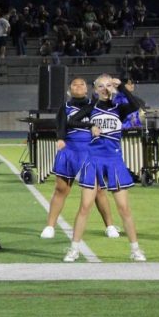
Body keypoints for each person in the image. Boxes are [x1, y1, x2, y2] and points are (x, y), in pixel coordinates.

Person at [64, 75, 145, 262]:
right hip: (93, 160)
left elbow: (135, 107)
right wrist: (90, 124)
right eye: (101, 86)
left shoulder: (120, 108)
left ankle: (135, 249)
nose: (105, 89)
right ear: (95, 89)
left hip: (114, 160)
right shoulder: (91, 108)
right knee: (84, 207)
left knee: (124, 208)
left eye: (109, 85)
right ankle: (74, 249)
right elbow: (71, 122)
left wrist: (122, 87)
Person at [42, 77, 117, 240]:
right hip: (70, 149)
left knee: (98, 191)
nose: (78, 86)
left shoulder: (95, 105)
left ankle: (110, 226)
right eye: (74, 84)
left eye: (82, 84)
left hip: (90, 149)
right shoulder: (65, 106)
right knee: (61, 189)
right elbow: (62, 124)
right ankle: (50, 226)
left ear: (87, 89)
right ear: (70, 89)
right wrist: (60, 138)